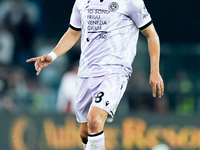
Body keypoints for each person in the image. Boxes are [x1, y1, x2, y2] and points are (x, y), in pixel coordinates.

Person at [26, 0, 164, 149]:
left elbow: (151, 34)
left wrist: (154, 71)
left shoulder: (131, 2)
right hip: (85, 72)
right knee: (85, 133)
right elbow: (73, 33)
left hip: (114, 71)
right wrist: (52, 56)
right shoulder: (81, 2)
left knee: (94, 120)